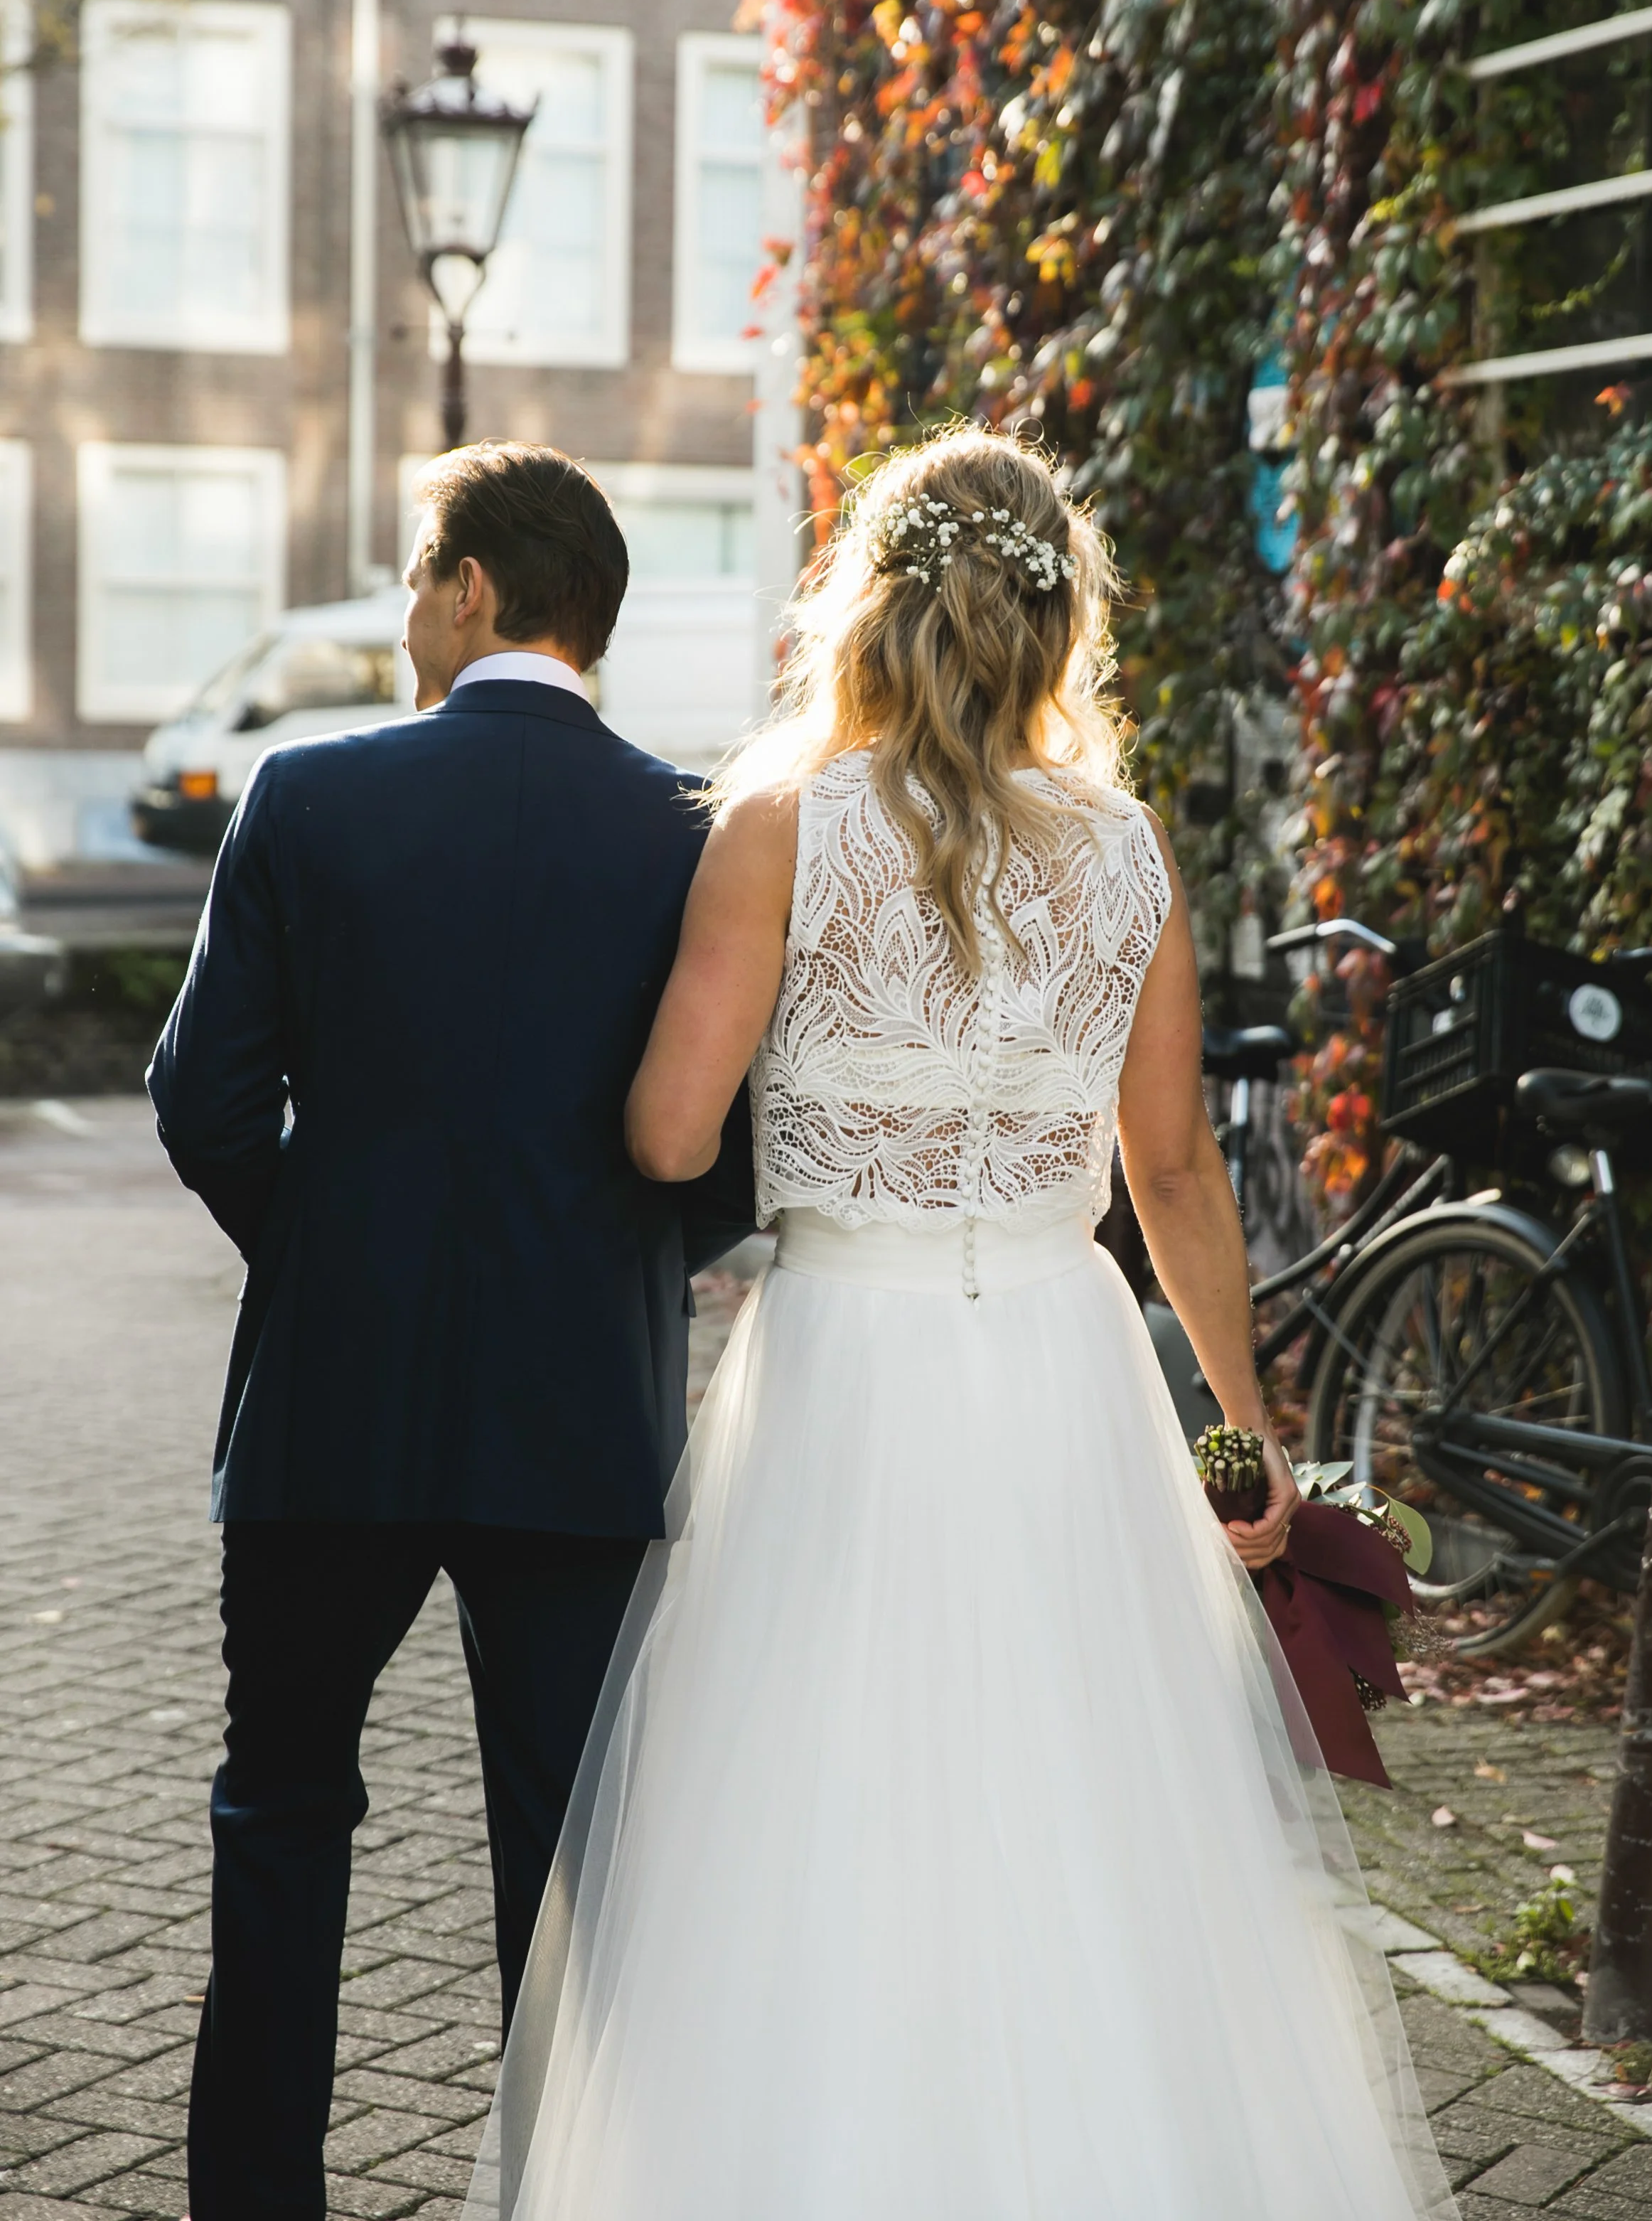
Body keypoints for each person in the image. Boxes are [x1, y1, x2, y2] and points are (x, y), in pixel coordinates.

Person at [469, 429, 1457, 2221]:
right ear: (1062, 624)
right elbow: (1172, 1177)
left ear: (870, 603)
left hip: (849, 1363)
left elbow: (671, 1134)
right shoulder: (1126, 851)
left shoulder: (781, 824)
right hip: (1066, 1370)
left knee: (820, 1806)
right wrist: (1242, 1442)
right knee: (1087, 1803)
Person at [147, 442, 753, 2221]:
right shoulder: (701, 832)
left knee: (277, 1822)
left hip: (329, 1413)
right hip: (580, 1418)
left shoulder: (308, 797)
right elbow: (730, 1143)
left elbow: (201, 1103)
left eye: (419, 577)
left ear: (474, 588)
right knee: (568, 1865)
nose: (408, 614)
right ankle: (564, 2195)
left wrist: (332, 1257)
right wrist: (619, 1259)